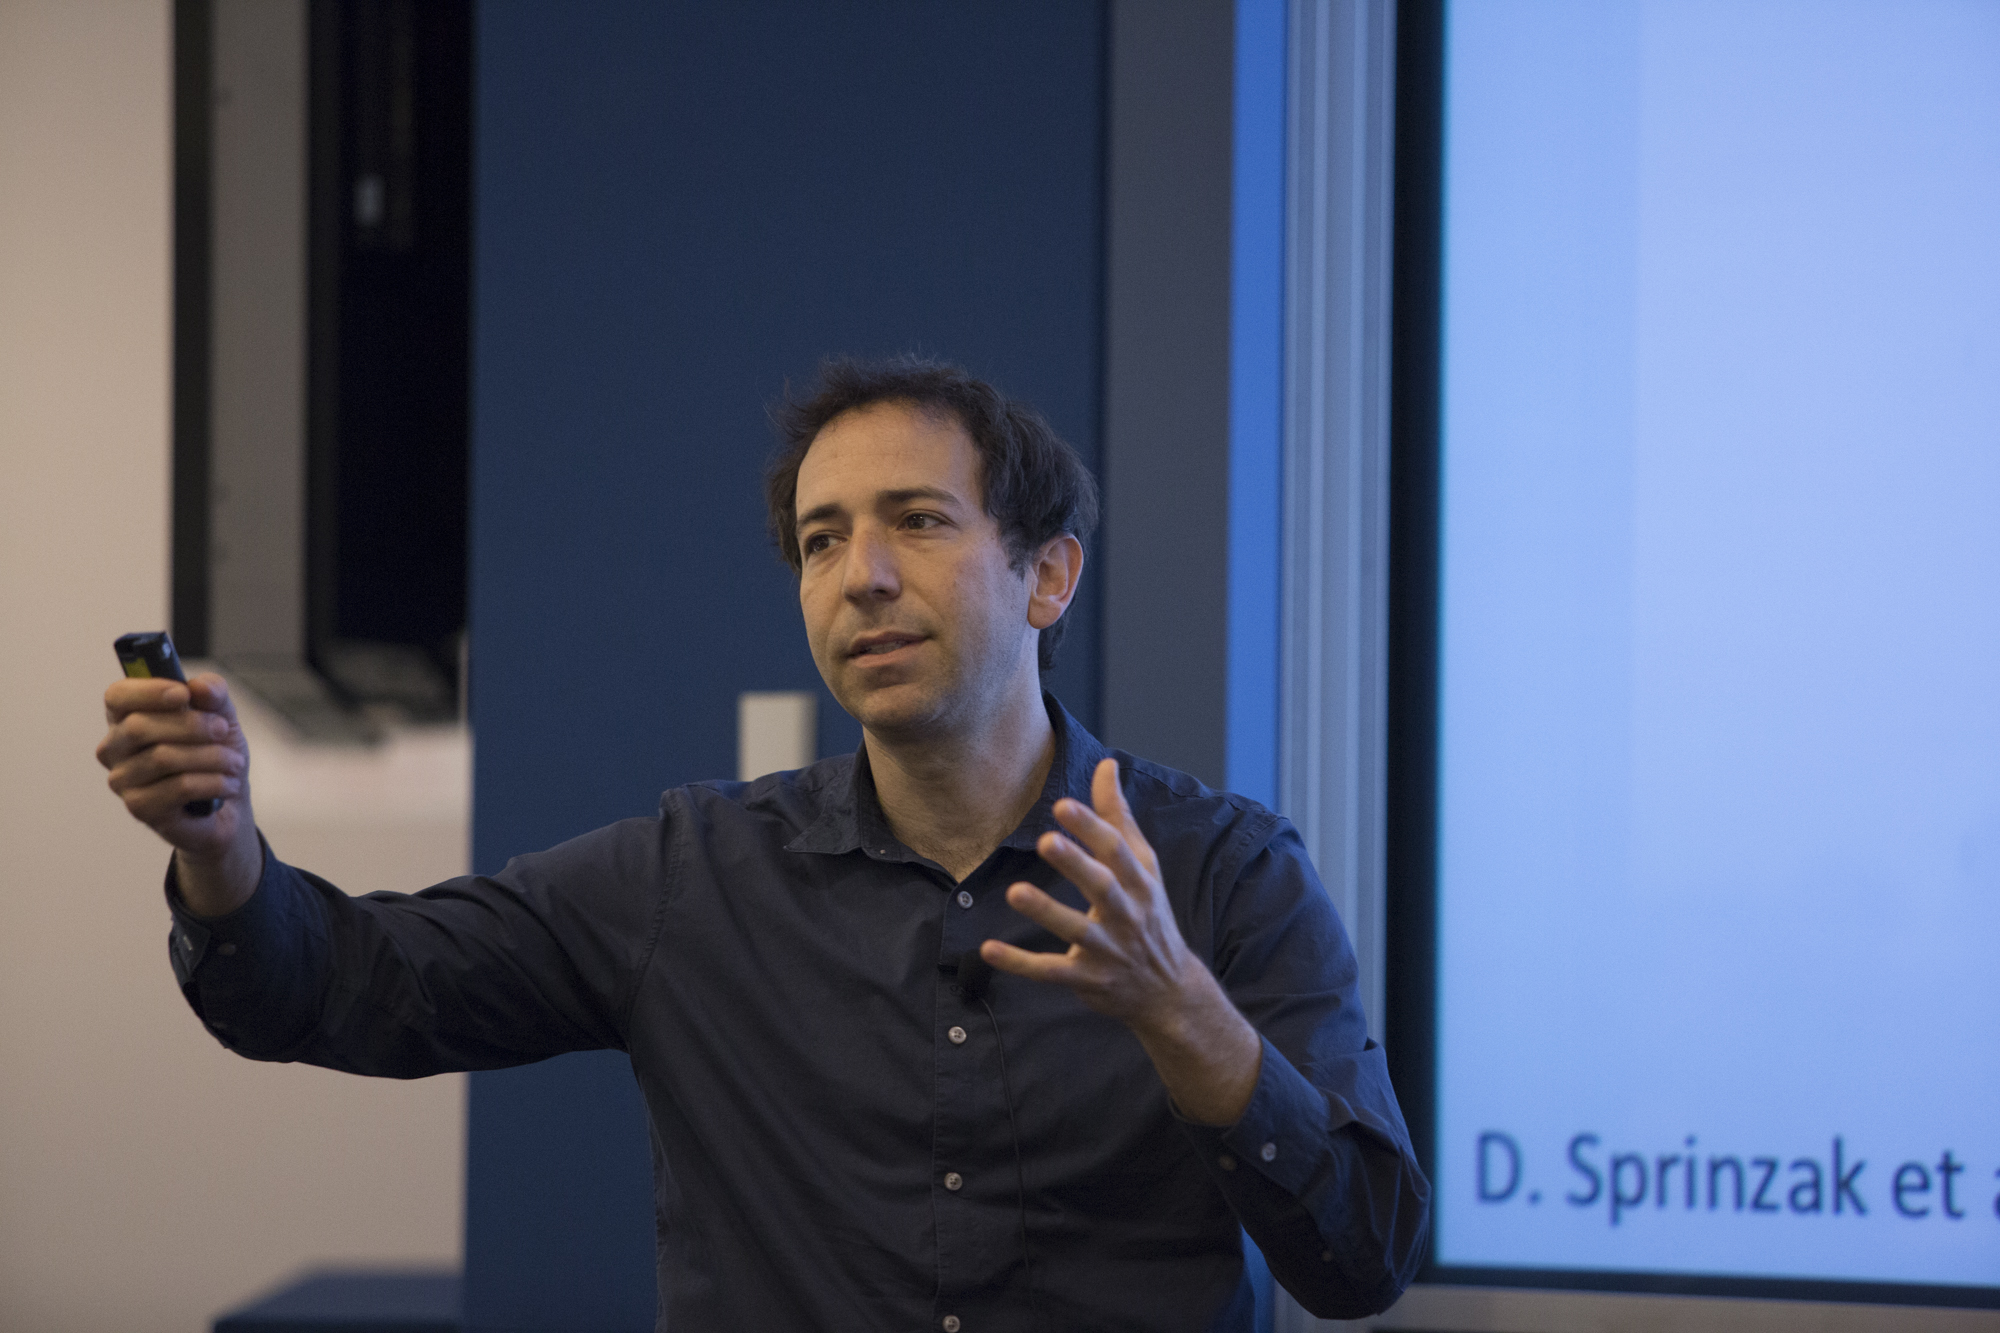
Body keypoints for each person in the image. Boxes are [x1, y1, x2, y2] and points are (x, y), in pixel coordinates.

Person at [98, 357, 1429, 1331]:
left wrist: (1183, 1011)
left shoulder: (1222, 873)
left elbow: (1364, 1256)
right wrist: (221, 845)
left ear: (1049, 574)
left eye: (917, 519)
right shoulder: (695, 877)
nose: (864, 574)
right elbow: (349, 982)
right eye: (820, 538)